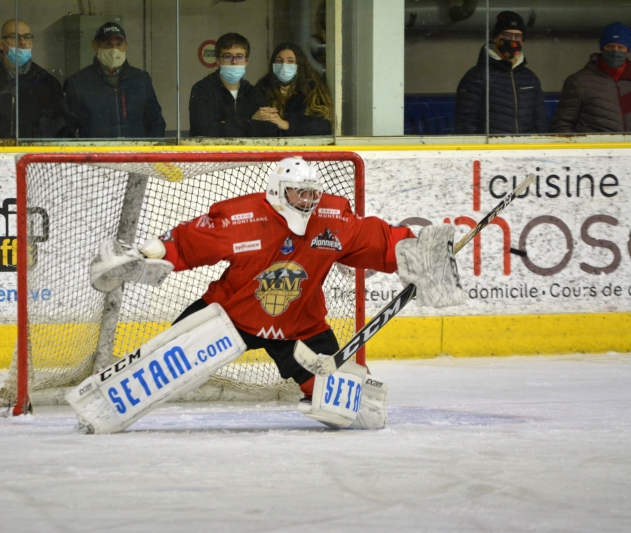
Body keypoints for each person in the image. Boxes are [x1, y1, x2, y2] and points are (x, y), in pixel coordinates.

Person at [78, 157, 466, 434]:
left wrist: (412, 252)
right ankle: (98, 404)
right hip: (228, 317)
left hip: (300, 326)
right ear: (279, 192)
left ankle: (332, 394)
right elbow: (189, 241)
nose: (308, 201)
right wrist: (149, 256)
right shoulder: (242, 216)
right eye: (299, 193)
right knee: (155, 371)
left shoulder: (333, 218)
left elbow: (378, 241)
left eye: (312, 193)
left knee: (357, 410)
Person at [64, 22, 165, 138]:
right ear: (95, 45)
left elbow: (156, 123)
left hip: (135, 154)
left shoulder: (141, 80)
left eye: (119, 44)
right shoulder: (78, 83)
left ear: (125, 46)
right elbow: (66, 130)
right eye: (108, 44)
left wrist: (149, 153)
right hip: (97, 155)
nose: (114, 50)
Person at [454, 11, 548, 135]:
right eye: (507, 35)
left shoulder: (530, 78)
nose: (513, 40)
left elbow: (540, 123)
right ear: (496, 38)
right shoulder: (476, 76)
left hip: (526, 149)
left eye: (518, 36)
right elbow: (466, 123)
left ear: (523, 41)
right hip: (492, 150)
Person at [189, 33, 277, 137]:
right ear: (217, 61)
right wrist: (251, 123)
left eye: (239, 57)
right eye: (228, 56)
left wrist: (229, 123)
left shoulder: (254, 93)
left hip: (248, 153)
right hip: (212, 153)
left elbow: (269, 130)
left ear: (246, 61)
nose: (234, 62)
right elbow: (205, 130)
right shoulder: (202, 90)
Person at [552, 22, 631, 133]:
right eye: (610, 46)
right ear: (602, 48)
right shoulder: (580, 81)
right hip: (595, 149)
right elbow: (562, 124)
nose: (615, 51)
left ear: (627, 50)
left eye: (621, 47)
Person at [255, 43, 332, 137]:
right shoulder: (263, 87)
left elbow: (324, 125)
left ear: (299, 64)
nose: (284, 65)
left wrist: (287, 124)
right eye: (279, 61)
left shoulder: (312, 89)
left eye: (290, 61)